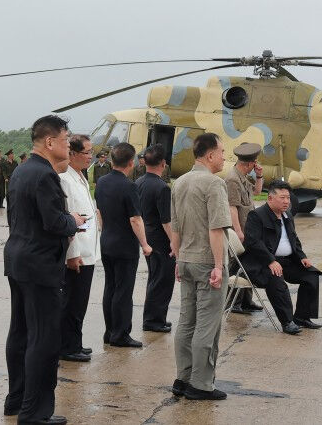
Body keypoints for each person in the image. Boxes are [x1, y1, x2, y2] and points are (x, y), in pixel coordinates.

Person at [3, 115, 80, 425]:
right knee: (44, 338)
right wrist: (73, 220)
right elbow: (53, 222)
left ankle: (17, 400)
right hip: (39, 263)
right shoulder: (46, 175)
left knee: (20, 331)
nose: (68, 145)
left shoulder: (22, 171)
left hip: (19, 259)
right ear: (50, 143)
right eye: (65, 140)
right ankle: (34, 413)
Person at [170, 132, 232, 401]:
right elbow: (216, 228)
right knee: (207, 325)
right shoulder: (213, 184)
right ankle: (201, 384)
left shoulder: (180, 182)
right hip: (208, 261)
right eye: (221, 152)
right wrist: (219, 265)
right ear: (209, 155)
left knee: (186, 322)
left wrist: (178, 256)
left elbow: (175, 226)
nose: (224, 157)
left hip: (186, 259)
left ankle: (182, 379)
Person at [240, 181, 322, 335]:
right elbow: (253, 242)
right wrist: (270, 260)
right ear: (270, 198)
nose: (286, 201)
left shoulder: (287, 215)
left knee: (311, 276)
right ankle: (287, 322)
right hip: (261, 263)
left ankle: (302, 317)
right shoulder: (256, 215)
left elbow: (294, 239)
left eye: (288, 198)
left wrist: (302, 256)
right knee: (277, 282)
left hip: (286, 261)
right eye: (282, 198)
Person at [94, 142, 152, 347]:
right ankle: (121, 334)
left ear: (111, 160)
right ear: (131, 162)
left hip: (107, 240)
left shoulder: (101, 182)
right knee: (123, 290)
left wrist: (105, 229)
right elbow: (135, 219)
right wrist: (145, 244)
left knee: (110, 287)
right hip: (124, 245)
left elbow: (99, 210)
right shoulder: (129, 186)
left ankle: (110, 331)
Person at [58, 135, 100, 363]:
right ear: (72, 154)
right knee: (72, 302)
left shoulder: (80, 178)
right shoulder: (65, 179)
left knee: (80, 301)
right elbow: (69, 220)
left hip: (89, 251)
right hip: (77, 254)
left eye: (91, 152)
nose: (90, 156)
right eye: (86, 152)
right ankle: (67, 346)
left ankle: (76, 342)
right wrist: (72, 254)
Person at [135, 144, 174, 332]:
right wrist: (175, 242)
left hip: (147, 235)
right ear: (163, 163)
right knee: (162, 280)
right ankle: (153, 320)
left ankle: (157, 317)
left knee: (155, 277)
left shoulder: (139, 182)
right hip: (160, 238)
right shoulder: (161, 187)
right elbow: (166, 221)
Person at [225, 142, 264, 314]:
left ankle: (246, 301)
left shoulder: (243, 176)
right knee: (236, 266)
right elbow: (232, 206)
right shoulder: (232, 179)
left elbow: (256, 192)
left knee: (248, 263)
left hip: (248, 228)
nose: (255, 166)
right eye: (254, 164)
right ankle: (234, 303)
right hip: (239, 229)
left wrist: (260, 176)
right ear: (248, 164)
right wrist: (238, 231)